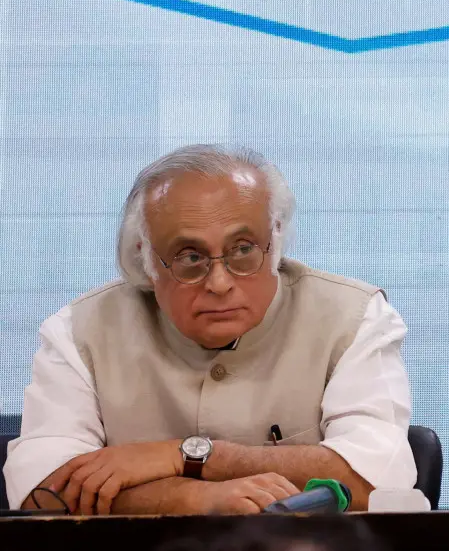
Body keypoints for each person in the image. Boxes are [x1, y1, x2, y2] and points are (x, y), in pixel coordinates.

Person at [4, 145, 417, 515]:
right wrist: (191, 498)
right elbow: (41, 490)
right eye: (189, 257)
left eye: (242, 250)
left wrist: (187, 457)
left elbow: (379, 480)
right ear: (144, 258)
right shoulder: (80, 329)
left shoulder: (354, 316)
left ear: (276, 240)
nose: (219, 283)